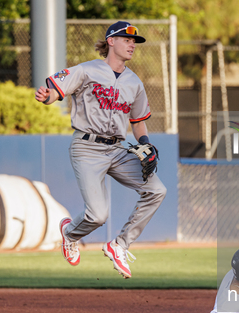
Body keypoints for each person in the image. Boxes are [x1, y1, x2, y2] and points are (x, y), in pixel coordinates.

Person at [34, 21, 166, 278]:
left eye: (134, 42)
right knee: (97, 216)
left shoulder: (134, 82)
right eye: (127, 40)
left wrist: (146, 144)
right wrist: (47, 96)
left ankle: (120, 244)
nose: (132, 45)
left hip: (117, 150)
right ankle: (69, 234)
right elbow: (56, 90)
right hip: (87, 147)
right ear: (111, 41)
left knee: (157, 190)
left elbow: (138, 122)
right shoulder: (87, 70)